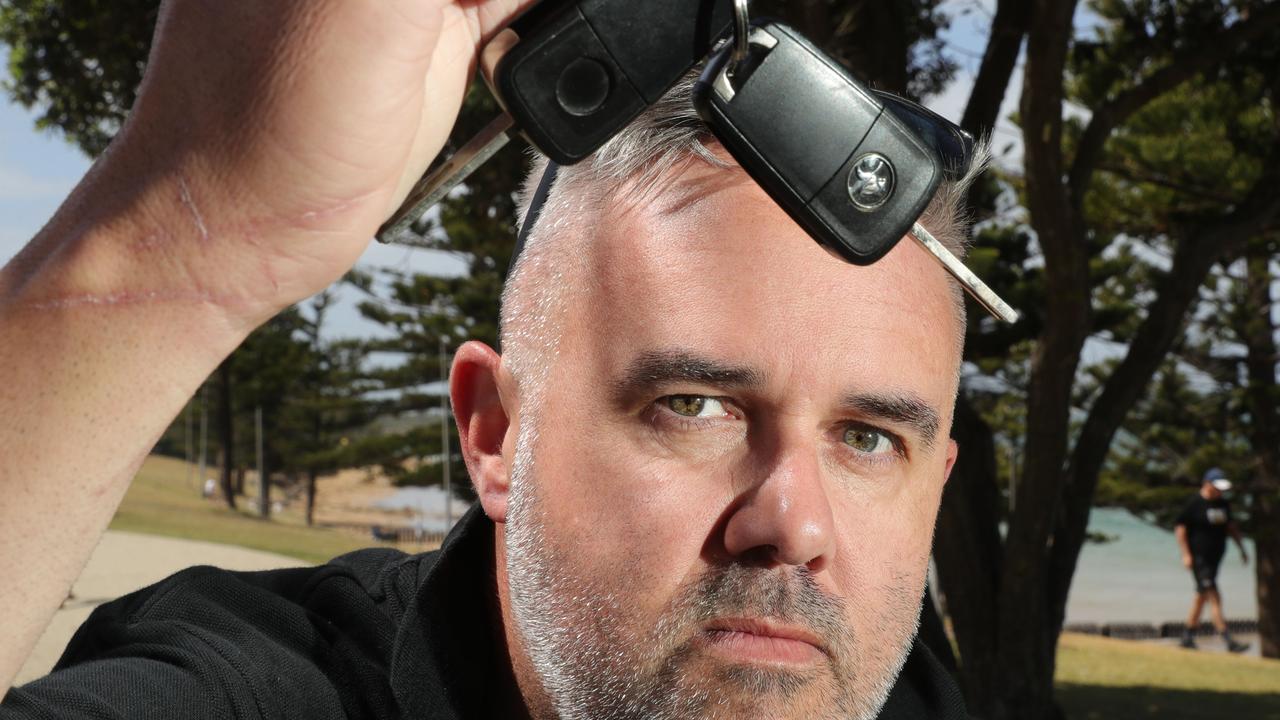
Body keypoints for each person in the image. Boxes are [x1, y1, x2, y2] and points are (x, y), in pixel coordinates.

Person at [0, 2, 982, 717]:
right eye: (693, 405)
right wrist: (186, 237)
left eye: (866, 436)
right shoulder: (264, 690)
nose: (795, 524)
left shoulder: (911, 696)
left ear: (933, 487)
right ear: (495, 434)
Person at [1175, 468, 1250, 653]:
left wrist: (1242, 548)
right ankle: (1228, 640)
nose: (1221, 491)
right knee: (1214, 596)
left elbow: (1231, 527)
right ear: (1207, 484)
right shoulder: (1195, 504)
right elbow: (1180, 528)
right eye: (1217, 487)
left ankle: (1187, 636)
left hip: (1215, 559)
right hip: (1199, 559)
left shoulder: (1223, 504)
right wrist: (1186, 554)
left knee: (1201, 597)